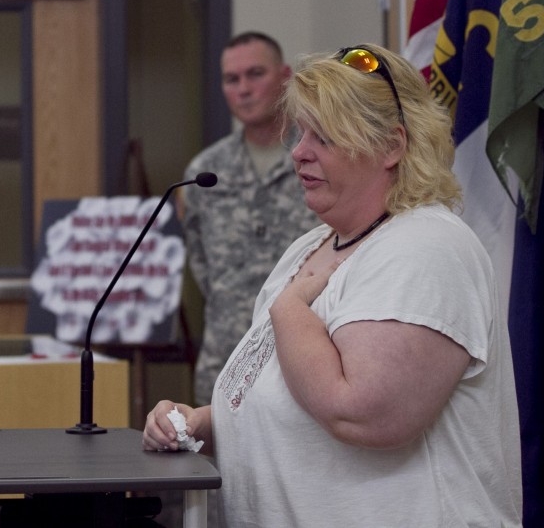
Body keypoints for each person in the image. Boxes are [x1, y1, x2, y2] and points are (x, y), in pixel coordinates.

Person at [145, 44, 522, 527]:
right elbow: (286, 394)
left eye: (323, 138)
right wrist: (205, 421)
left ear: (391, 146)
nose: (299, 152)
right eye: (302, 134)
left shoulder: (426, 246)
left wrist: (290, 310)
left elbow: (360, 413)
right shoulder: (310, 247)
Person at [180, 31, 320, 406]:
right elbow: (203, 267)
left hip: (307, 361)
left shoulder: (319, 158)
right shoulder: (205, 171)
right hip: (226, 363)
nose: (243, 89)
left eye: (255, 74)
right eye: (232, 79)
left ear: (285, 77)